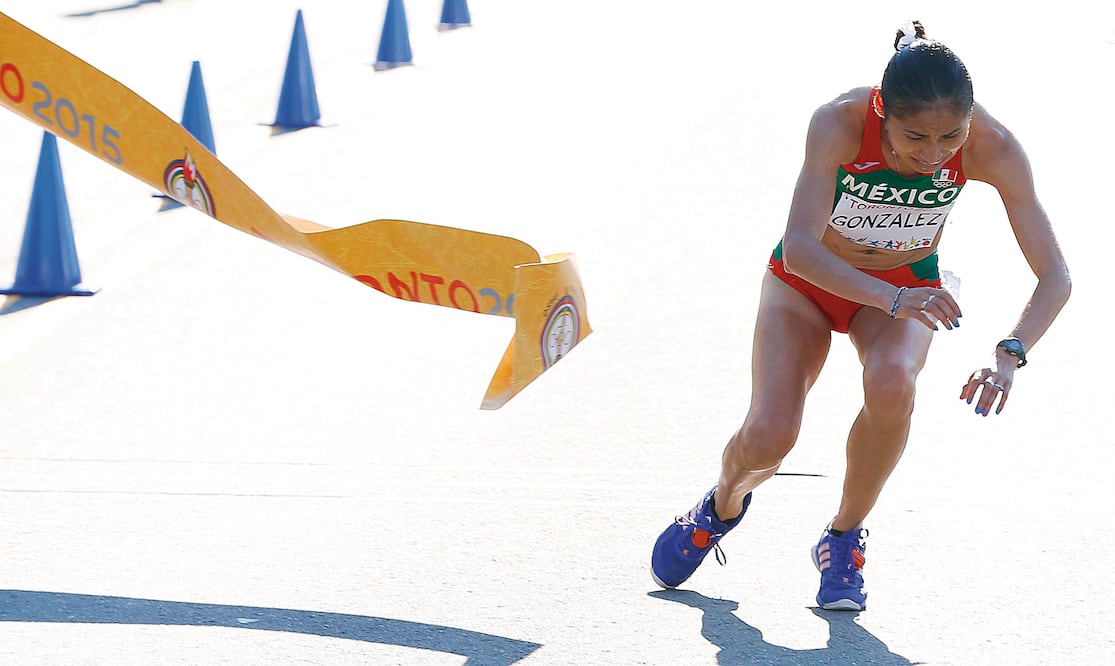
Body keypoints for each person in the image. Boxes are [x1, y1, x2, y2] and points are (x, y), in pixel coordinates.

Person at [650, 21, 1071, 611]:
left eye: (951, 136)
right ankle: (719, 507)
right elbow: (799, 246)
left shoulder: (993, 147)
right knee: (771, 436)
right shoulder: (839, 122)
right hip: (809, 284)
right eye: (914, 137)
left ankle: (844, 538)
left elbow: (1055, 275)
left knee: (893, 383)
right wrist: (891, 298)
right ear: (882, 109)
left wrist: (1010, 355)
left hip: (906, 289)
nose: (933, 155)